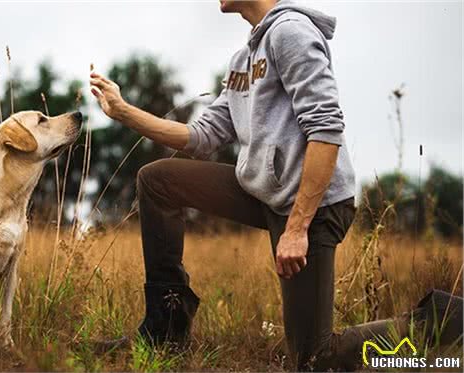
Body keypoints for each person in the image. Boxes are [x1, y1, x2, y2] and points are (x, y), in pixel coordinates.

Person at [89, 0, 463, 370]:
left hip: (314, 206)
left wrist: (298, 228)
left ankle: (444, 319)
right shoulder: (243, 61)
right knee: (158, 181)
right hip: (265, 193)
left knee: (314, 358)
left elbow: (326, 129)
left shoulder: (292, 33)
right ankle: (165, 328)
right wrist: (124, 112)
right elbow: (202, 136)